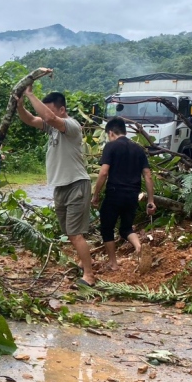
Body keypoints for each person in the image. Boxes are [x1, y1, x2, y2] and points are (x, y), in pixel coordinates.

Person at [17, 79, 96, 286]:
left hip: (77, 184)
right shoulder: (52, 128)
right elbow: (31, 119)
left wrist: (31, 94)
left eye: (50, 111)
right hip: (61, 186)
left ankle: (89, 274)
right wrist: (20, 104)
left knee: (75, 233)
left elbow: (47, 117)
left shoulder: (71, 125)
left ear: (62, 110)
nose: (46, 115)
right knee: (69, 233)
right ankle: (83, 262)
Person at [91, 117, 157, 271]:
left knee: (107, 229)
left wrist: (96, 195)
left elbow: (103, 173)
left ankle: (113, 264)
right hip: (132, 195)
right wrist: (151, 200)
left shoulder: (111, 146)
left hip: (114, 194)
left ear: (111, 133)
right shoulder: (138, 149)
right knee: (126, 228)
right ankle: (139, 247)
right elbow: (147, 175)